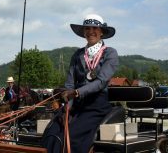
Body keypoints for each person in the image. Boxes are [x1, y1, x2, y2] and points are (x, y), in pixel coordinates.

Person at [42, 14, 119, 153]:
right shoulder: (77, 55)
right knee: (51, 132)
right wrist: (67, 107)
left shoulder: (110, 53)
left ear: (101, 31)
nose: (91, 31)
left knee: (71, 137)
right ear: (84, 32)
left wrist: (77, 92)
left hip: (96, 105)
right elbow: (70, 84)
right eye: (87, 28)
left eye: (95, 28)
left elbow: (101, 81)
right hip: (76, 104)